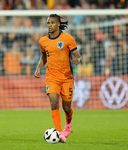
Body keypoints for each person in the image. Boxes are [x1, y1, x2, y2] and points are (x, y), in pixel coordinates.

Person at [34, 14, 82, 143]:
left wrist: (78, 59)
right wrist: (38, 69)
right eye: (48, 23)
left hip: (67, 78)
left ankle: (68, 123)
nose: (49, 25)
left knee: (66, 108)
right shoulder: (43, 41)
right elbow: (44, 56)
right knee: (54, 102)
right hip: (51, 77)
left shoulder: (67, 38)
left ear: (59, 24)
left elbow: (77, 55)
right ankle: (60, 133)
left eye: (52, 23)